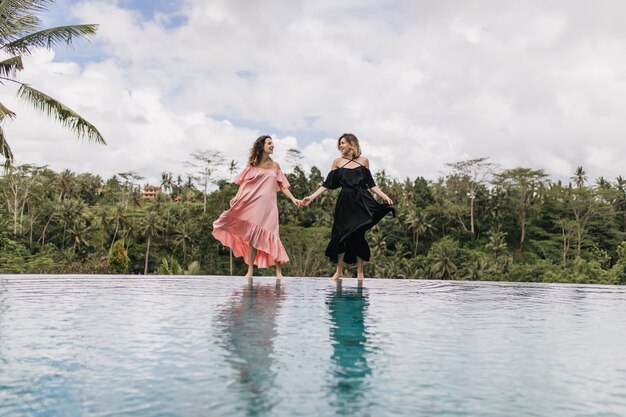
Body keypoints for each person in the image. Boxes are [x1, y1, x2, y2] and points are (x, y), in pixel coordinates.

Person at [302, 133, 395, 280]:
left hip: (360, 201)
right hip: (344, 202)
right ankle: (338, 271)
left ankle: (360, 272)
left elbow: (371, 184)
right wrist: (312, 197)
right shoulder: (337, 162)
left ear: (352, 143)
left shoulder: (364, 161)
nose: (340, 146)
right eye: (339, 144)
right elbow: (327, 184)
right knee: (339, 234)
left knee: (358, 234)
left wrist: (385, 196)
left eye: (343, 143)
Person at [212, 135, 301, 279]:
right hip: (255, 204)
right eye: (269, 143)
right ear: (262, 146)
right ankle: (250, 271)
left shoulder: (275, 166)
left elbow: (282, 186)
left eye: (272, 143)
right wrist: (237, 196)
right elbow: (244, 183)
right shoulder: (253, 165)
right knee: (253, 237)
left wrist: (293, 198)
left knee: (274, 235)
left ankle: (279, 272)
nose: (273, 146)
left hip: (270, 207)